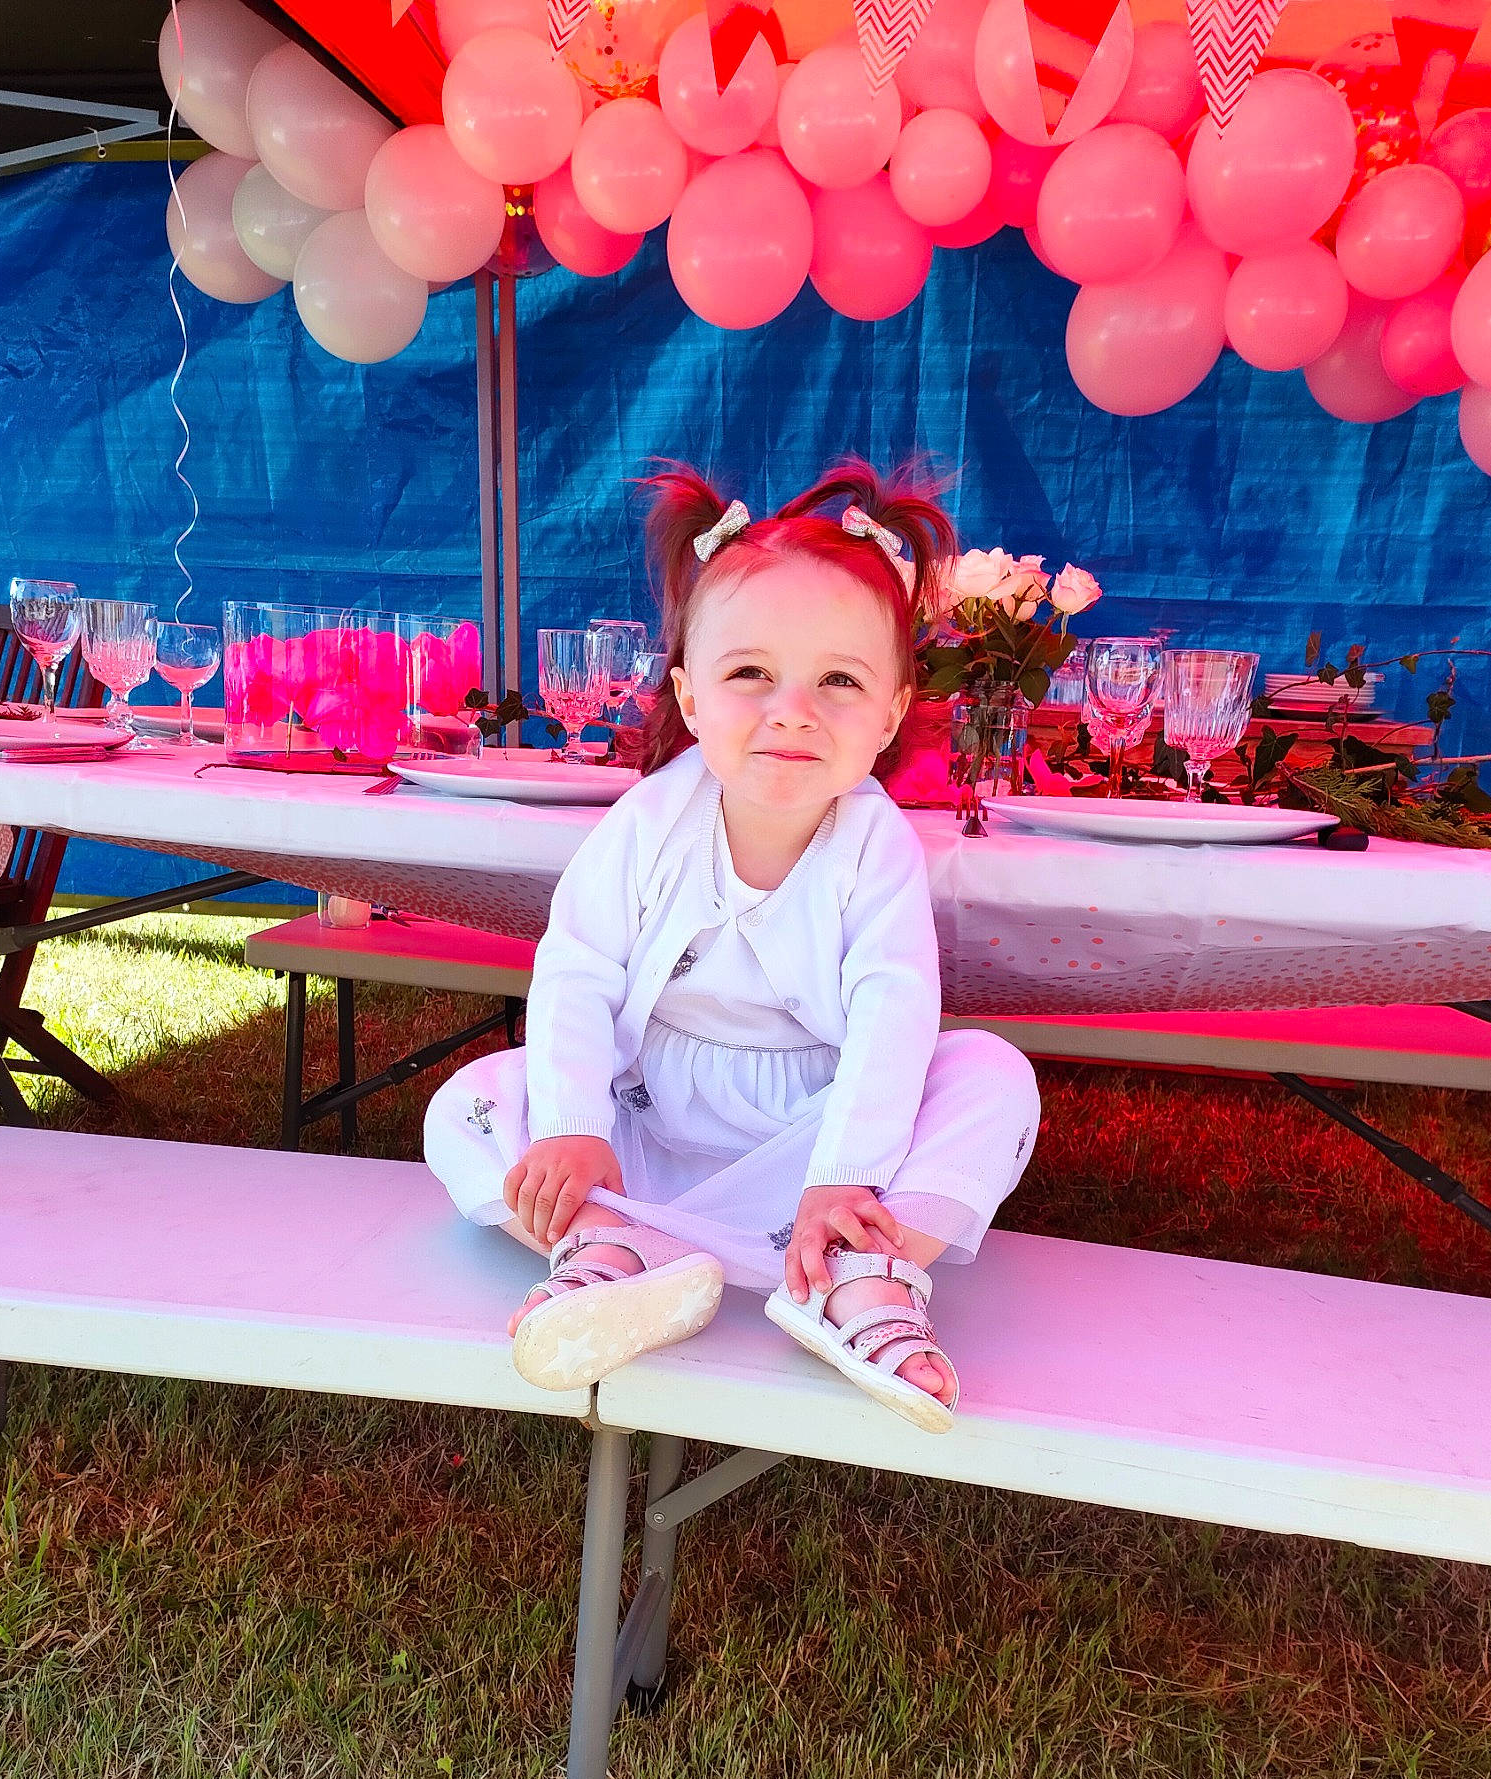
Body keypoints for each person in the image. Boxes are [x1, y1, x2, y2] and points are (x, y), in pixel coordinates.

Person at [424, 459, 1040, 1434]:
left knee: (994, 1075)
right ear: (691, 695)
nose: (792, 708)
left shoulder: (872, 845)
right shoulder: (648, 823)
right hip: (649, 1129)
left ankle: (855, 1272)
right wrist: (576, 1123)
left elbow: (892, 1012)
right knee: (472, 1102)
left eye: (839, 679)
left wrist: (847, 1174)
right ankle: (610, 1246)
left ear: (888, 711)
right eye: (750, 672)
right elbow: (576, 972)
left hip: (818, 1138)